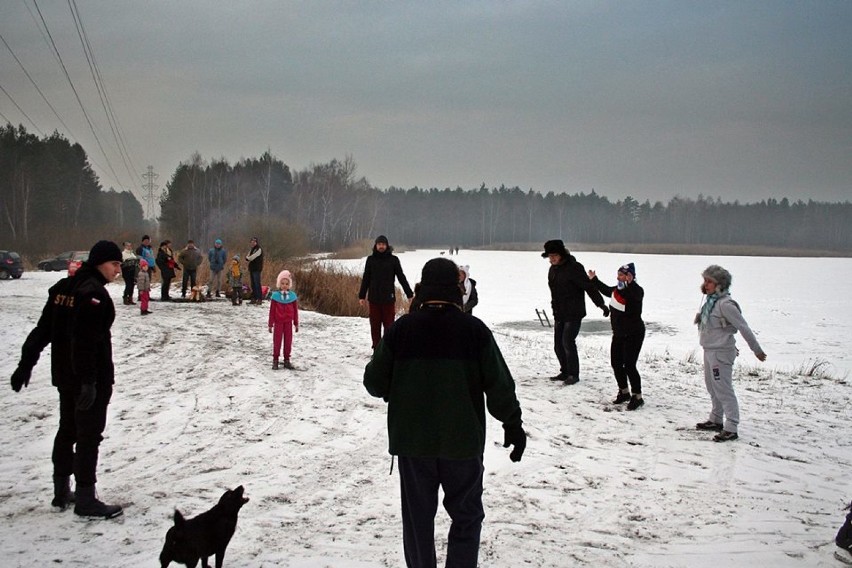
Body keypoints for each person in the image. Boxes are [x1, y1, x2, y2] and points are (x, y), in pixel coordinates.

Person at [364, 258, 526, 568]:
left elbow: (373, 381)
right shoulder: (474, 331)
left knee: (418, 520)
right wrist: (513, 424)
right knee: (466, 516)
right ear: (456, 289)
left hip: (413, 443)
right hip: (462, 443)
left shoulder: (402, 330)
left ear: (422, 289)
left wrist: (397, 388)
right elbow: (499, 384)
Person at [10, 240, 125, 519]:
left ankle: (61, 491)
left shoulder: (63, 289)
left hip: (65, 377)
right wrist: (89, 381)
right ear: (99, 263)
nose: (118, 270)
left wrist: (25, 364)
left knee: (67, 430)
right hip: (90, 380)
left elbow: (42, 330)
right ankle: (86, 498)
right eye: (114, 264)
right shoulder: (94, 295)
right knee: (88, 437)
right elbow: (85, 341)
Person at [694, 265, 767, 442]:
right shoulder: (710, 302)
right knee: (712, 386)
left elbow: (743, 327)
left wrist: (756, 350)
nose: (706, 284)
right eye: (705, 280)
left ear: (720, 284)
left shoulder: (726, 305)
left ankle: (731, 426)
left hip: (721, 353)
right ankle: (716, 419)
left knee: (723, 389)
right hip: (709, 350)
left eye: (709, 281)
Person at [542, 239, 608, 385]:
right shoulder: (553, 269)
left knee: (567, 341)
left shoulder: (574, 268)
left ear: (561, 254)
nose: (551, 259)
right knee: (558, 345)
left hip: (573, 312)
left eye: (554, 256)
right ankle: (564, 371)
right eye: (549, 256)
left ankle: (573, 374)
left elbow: (588, 287)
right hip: (559, 312)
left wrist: (600, 304)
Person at [589, 262, 646, 410]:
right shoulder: (617, 290)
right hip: (619, 333)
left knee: (629, 365)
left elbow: (632, 297)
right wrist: (594, 279)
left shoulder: (636, 291)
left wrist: (627, 284)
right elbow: (606, 290)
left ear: (630, 276)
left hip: (634, 334)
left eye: (622, 275)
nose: (619, 277)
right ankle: (624, 391)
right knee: (616, 363)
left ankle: (637, 396)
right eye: (618, 274)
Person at [358, 235, 414, 349]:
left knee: (389, 327)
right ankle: (376, 349)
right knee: (375, 326)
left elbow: (401, 277)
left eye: (383, 244)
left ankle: (388, 350)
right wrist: (362, 296)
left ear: (387, 245)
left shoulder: (393, 260)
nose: (381, 246)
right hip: (374, 299)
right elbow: (366, 278)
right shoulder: (370, 260)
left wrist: (409, 294)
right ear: (376, 246)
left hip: (388, 299)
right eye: (379, 244)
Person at [268, 269, 299, 370]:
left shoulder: (292, 296)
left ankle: (287, 360)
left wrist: (296, 323)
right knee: (277, 341)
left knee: (288, 341)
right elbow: (272, 311)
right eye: (282, 283)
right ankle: (275, 360)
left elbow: (295, 311)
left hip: (288, 323)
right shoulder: (275, 296)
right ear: (279, 284)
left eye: (286, 283)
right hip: (278, 322)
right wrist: (270, 324)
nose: (284, 285)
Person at [246, 236, 264, 305]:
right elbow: (247, 256)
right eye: (252, 242)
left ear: (256, 242)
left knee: (257, 284)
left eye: (254, 242)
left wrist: (248, 258)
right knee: (253, 284)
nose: (253, 243)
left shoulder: (258, 249)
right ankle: (254, 298)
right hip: (252, 268)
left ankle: (259, 298)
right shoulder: (251, 249)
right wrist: (248, 258)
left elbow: (251, 257)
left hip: (257, 269)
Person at [120, 241, 139, 305]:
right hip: (126, 272)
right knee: (128, 285)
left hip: (133, 272)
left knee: (132, 285)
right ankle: (125, 298)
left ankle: (130, 298)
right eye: (127, 246)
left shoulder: (132, 253)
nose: (129, 247)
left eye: (130, 245)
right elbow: (121, 263)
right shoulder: (123, 254)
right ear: (125, 246)